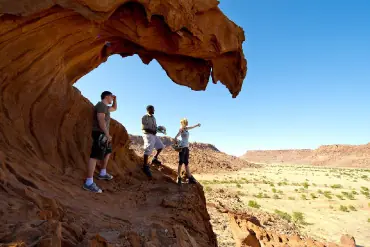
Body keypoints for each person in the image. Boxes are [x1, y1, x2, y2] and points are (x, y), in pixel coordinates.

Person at [83, 91, 117, 193]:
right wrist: (106, 133)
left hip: (104, 134)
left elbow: (114, 108)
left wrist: (115, 99)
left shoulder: (106, 107)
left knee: (108, 152)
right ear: (106, 97)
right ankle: (88, 182)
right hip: (100, 133)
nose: (112, 98)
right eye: (111, 97)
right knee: (94, 156)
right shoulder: (101, 105)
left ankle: (102, 173)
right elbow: (100, 120)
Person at [174, 118, 201, 185]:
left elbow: (192, 127)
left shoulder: (186, 128)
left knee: (186, 163)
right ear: (183, 123)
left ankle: (189, 177)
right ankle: (179, 177)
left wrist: (197, 125)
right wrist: (177, 143)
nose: (186, 123)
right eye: (185, 122)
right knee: (181, 162)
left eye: (187, 122)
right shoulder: (181, 129)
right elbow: (176, 136)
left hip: (186, 147)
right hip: (182, 147)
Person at [141, 105, 165, 177]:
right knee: (148, 149)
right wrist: (152, 131)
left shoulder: (154, 118)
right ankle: (145, 166)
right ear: (148, 109)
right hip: (148, 135)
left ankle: (154, 158)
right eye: (152, 109)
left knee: (161, 146)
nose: (154, 110)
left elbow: (155, 128)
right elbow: (144, 128)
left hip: (153, 135)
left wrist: (159, 129)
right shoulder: (145, 117)